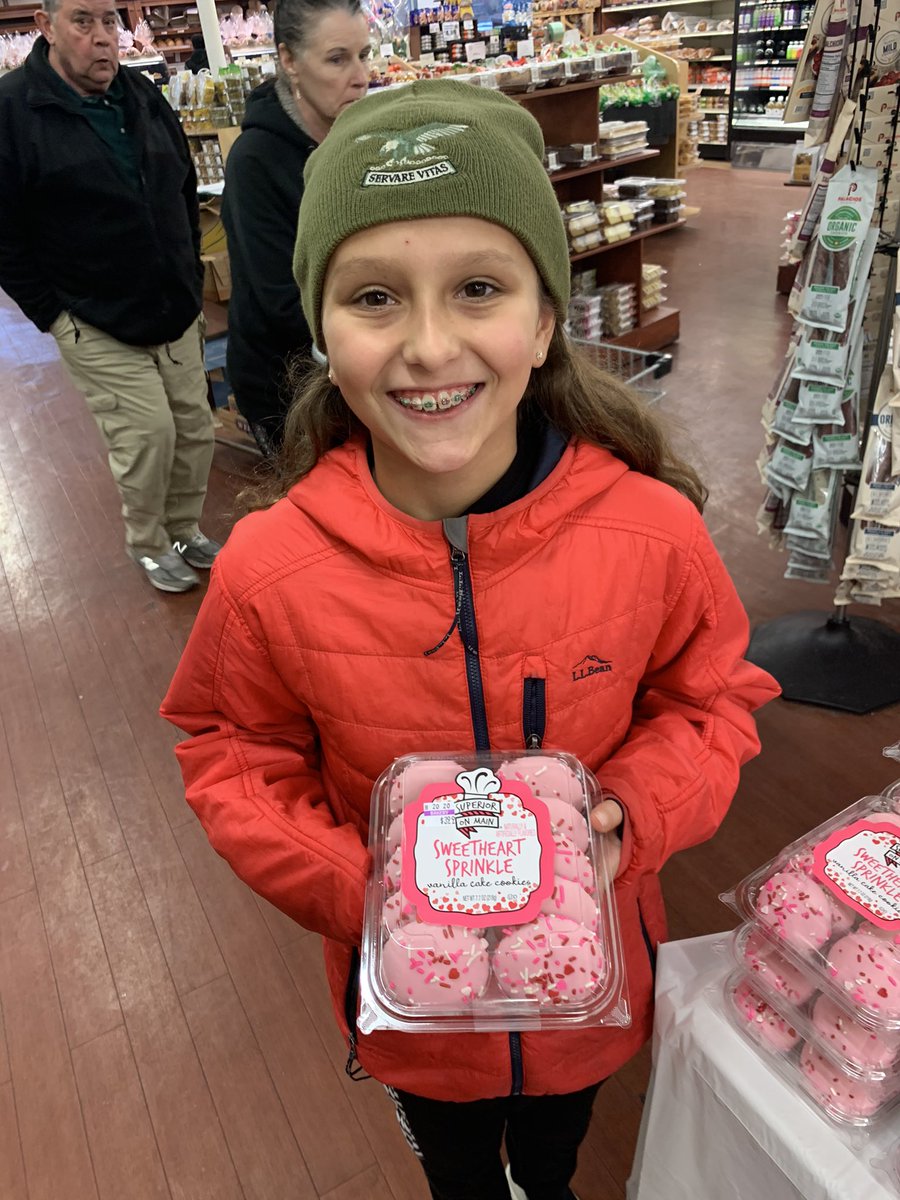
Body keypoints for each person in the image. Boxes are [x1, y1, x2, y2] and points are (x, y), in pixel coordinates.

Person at [161, 81, 780, 1200]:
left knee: (553, 1158)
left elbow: (711, 701)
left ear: (543, 321)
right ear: (322, 331)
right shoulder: (268, 568)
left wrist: (628, 818)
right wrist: (370, 892)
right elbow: (232, 751)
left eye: (480, 289)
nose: (430, 344)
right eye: (375, 297)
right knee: (455, 1169)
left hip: (588, 987)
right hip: (412, 1009)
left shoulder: (654, 533)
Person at [0, 0, 220, 594]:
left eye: (109, 21)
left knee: (194, 428)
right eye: (83, 21)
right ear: (45, 26)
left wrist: (187, 269)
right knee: (147, 434)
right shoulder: (13, 110)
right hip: (92, 317)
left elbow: (182, 186)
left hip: (173, 306)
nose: (103, 38)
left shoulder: (140, 95)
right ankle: (148, 543)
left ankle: (183, 529)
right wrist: (53, 315)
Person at [221, 0, 370, 457]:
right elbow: (282, 301)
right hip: (288, 388)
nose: (361, 76)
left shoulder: (360, 141)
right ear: (289, 60)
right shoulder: (255, 161)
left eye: (364, 55)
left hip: (358, 367)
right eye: (338, 59)